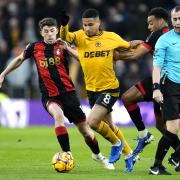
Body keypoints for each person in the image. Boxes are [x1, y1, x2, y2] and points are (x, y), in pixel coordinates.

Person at [0, 17, 114, 170]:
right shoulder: (34, 47)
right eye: (46, 31)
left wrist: (68, 49)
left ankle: (98, 155)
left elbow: (83, 60)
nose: (49, 34)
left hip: (68, 94)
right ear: (41, 33)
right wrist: (3, 74)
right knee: (58, 116)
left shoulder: (62, 45)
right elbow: (20, 59)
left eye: (52, 30)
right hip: (50, 95)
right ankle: (67, 153)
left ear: (56, 31)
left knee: (86, 132)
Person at [60, 8, 141, 172]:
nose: (87, 28)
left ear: (98, 23)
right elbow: (64, 37)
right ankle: (129, 154)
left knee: (92, 122)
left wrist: (146, 46)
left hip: (110, 88)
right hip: (92, 90)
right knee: (110, 125)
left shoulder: (111, 37)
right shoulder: (80, 37)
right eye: (84, 25)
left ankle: (116, 144)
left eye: (90, 24)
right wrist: (64, 25)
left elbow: (128, 47)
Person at [120, 7, 171, 155]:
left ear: (161, 21)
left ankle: (143, 134)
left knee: (127, 98)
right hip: (166, 80)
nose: (149, 27)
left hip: (163, 80)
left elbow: (135, 55)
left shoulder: (157, 35)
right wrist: (143, 43)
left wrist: (113, 53)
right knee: (161, 125)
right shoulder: (168, 35)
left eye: (151, 23)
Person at [149, 6, 180, 175]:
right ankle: (156, 166)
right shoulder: (164, 40)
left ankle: (177, 157)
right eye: (175, 19)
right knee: (173, 128)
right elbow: (156, 68)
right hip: (170, 86)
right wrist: (156, 89)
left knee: (172, 128)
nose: (177, 22)